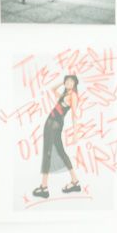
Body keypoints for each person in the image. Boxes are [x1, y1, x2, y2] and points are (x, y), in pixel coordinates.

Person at [31, 72, 83, 200]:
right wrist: (63, 80)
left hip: (54, 124)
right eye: (67, 81)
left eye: (72, 81)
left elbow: (74, 115)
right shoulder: (66, 94)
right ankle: (75, 181)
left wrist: (76, 133)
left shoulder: (74, 96)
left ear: (75, 83)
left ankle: (44, 187)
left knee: (48, 153)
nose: (69, 83)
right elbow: (52, 89)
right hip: (51, 124)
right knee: (60, 151)